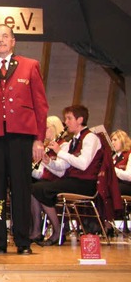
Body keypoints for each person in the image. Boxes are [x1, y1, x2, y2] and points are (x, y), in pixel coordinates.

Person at [0, 24, 48, 255]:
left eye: (5, 37)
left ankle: (23, 241)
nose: (0, 40)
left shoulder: (30, 66)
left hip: (22, 137)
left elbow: (40, 106)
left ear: (13, 41)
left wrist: (39, 140)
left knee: (22, 188)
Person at [30, 105, 103, 245]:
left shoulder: (90, 138)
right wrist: (48, 161)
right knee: (35, 187)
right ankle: (37, 231)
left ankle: (58, 232)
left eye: (69, 118)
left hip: (85, 183)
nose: (66, 122)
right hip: (73, 180)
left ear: (80, 120)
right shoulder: (73, 141)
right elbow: (62, 169)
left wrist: (59, 152)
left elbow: (83, 164)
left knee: (42, 189)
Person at [111, 130, 131, 196]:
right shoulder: (113, 156)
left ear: (123, 140)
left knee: (113, 188)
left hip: (127, 185)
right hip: (117, 183)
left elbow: (129, 176)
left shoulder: (129, 154)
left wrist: (113, 169)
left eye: (115, 140)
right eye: (111, 140)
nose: (112, 143)